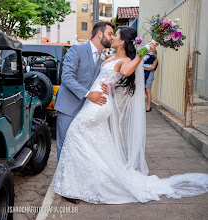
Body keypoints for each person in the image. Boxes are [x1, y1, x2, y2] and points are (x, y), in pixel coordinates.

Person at [54, 27, 208, 205]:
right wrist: (111, 86)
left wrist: (144, 51)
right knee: (92, 145)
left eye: (115, 35)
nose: (111, 37)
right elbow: (108, 78)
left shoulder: (126, 59)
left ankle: (73, 185)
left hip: (98, 104)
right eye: (110, 33)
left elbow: (126, 72)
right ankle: (82, 181)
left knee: (74, 135)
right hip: (94, 100)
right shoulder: (109, 56)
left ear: (122, 42)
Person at [54, 21, 115, 163]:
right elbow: (67, 78)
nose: (112, 38)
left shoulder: (103, 57)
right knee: (65, 147)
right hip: (68, 107)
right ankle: (62, 182)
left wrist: (110, 87)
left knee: (80, 148)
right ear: (100, 34)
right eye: (110, 34)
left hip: (87, 111)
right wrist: (89, 94)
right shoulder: (76, 50)